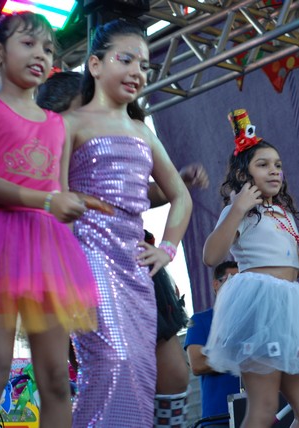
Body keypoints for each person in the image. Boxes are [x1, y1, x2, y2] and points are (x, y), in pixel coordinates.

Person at [36, 70, 208, 427]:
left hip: (137, 262)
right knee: (114, 373)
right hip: (87, 269)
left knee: (174, 374)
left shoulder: (124, 137)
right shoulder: (53, 154)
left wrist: (176, 182)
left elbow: (137, 196)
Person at [65, 19, 192, 427]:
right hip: (87, 259)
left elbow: (181, 196)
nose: (137, 71)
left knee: (140, 367)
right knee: (112, 361)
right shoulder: (69, 124)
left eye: (144, 65)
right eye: (126, 59)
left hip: (136, 268)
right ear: (95, 65)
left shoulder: (143, 132)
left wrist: (167, 249)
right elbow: (49, 197)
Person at [203, 109, 299, 428]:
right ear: (243, 174)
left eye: (278, 165)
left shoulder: (283, 214)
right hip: (259, 310)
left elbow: (291, 268)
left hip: (290, 311)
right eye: (263, 164)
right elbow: (211, 255)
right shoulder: (240, 210)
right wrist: (238, 208)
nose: (274, 171)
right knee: (264, 407)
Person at [0, 11, 100, 427]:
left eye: (48, 48)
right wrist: (46, 200)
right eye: (28, 44)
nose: (40, 54)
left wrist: (71, 208)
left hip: (47, 252)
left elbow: (59, 189)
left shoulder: (57, 125)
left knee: (57, 377)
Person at [184, 261, 240, 428]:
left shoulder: (255, 318)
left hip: (257, 412)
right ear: (216, 284)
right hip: (218, 418)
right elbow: (197, 364)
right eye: (231, 280)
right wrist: (242, 353)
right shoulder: (199, 321)